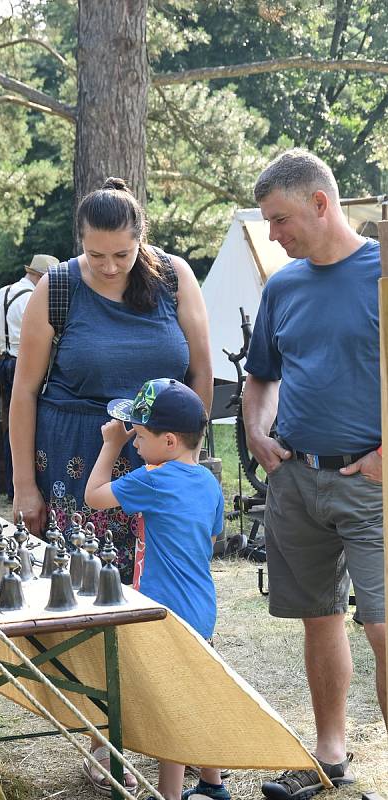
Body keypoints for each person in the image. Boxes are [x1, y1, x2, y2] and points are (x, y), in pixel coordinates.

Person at [242, 149, 385, 800]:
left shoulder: (382, 273)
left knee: (383, 626)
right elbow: (262, 375)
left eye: (279, 220)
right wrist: (256, 429)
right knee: (320, 619)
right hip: (297, 481)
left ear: (320, 205)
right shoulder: (283, 286)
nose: (272, 234)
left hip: (373, 482)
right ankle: (329, 754)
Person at [9, 177, 212, 584]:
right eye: (95, 254)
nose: (110, 266)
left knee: (161, 585)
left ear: (142, 238)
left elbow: (200, 374)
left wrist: (190, 454)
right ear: (79, 240)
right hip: (75, 464)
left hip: (161, 460)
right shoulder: (58, 287)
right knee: (83, 592)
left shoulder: (175, 278)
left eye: (123, 253)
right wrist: (24, 485)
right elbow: (24, 392)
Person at [85, 377, 227, 800]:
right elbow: (213, 538)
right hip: (201, 605)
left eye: (139, 436)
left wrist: (110, 446)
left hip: (165, 610)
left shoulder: (156, 481)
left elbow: (94, 496)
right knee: (197, 691)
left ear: (168, 441)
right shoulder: (207, 482)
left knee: (171, 709)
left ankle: (168, 796)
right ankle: (212, 784)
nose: (133, 443)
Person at [0, 253, 59, 499]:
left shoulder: (2, 293)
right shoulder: (35, 298)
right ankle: (29, 486)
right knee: (30, 423)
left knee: (10, 424)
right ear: (41, 277)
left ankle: (11, 486)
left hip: (5, 363)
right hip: (26, 365)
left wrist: (2, 355)